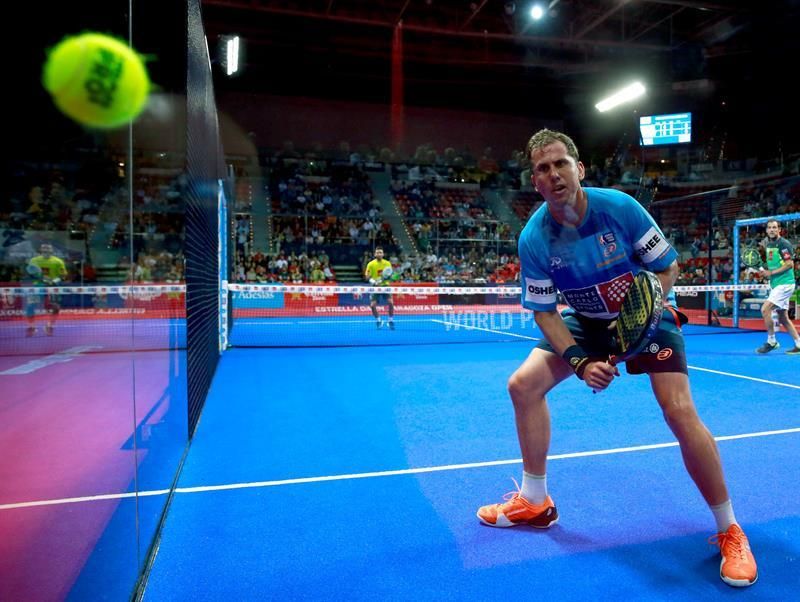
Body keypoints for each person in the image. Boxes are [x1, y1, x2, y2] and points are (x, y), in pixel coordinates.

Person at [476, 129, 757, 588]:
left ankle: (730, 529)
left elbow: (667, 267)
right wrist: (581, 359)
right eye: (543, 169)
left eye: (560, 163)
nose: (554, 173)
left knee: (679, 410)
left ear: (578, 169)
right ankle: (534, 501)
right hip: (585, 319)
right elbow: (546, 313)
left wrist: (641, 314)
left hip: (647, 313)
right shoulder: (534, 239)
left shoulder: (620, 209)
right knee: (522, 385)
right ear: (536, 181)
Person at [754, 220, 800, 354]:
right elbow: (775, 265)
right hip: (776, 284)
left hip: (785, 284)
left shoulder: (783, 244)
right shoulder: (769, 244)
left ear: (779, 229)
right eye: (769, 228)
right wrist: (766, 272)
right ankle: (798, 343)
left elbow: (789, 264)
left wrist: (771, 273)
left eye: (774, 227)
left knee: (765, 309)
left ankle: (772, 341)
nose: (772, 230)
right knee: (783, 317)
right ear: (766, 230)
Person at [25, 242, 68, 336]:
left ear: (52, 250)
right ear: (41, 250)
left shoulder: (58, 261)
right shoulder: (34, 260)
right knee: (30, 306)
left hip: (53, 287)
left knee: (56, 307)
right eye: (44, 248)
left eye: (48, 248)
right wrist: (42, 279)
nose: (46, 250)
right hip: (38, 287)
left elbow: (64, 275)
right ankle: (32, 327)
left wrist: (55, 281)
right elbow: (31, 274)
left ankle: (49, 326)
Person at [364, 246, 394, 329]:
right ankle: (378, 320)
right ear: (375, 254)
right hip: (375, 287)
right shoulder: (370, 264)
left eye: (380, 252)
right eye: (377, 252)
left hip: (385, 286)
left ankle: (390, 320)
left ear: (383, 254)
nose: (379, 254)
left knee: (391, 302)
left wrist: (385, 279)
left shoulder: (387, 263)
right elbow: (366, 276)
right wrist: (372, 281)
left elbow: (390, 275)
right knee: (372, 305)